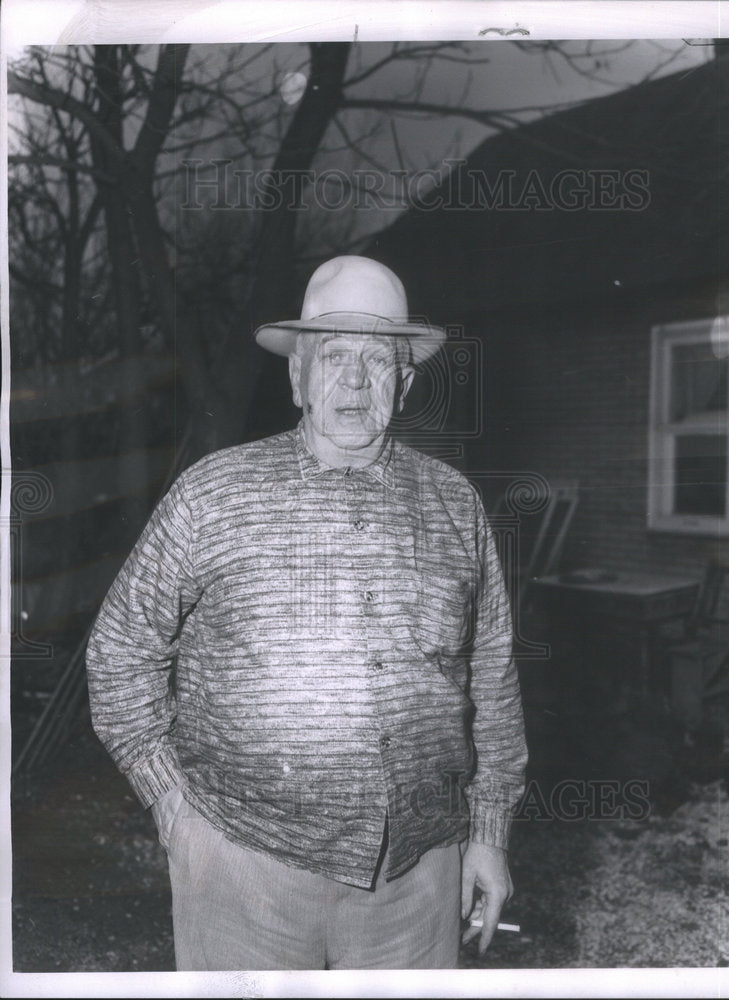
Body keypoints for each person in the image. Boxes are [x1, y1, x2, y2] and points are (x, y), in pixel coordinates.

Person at [85, 255, 527, 971]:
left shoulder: (456, 506)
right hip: (242, 870)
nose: (355, 380)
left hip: (417, 880)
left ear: (406, 382)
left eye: (377, 359)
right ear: (297, 377)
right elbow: (119, 650)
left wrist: (491, 832)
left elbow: (494, 679)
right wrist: (171, 804)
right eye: (334, 355)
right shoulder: (213, 495)